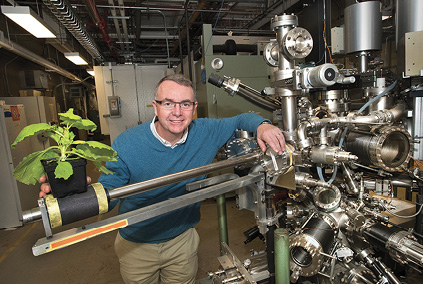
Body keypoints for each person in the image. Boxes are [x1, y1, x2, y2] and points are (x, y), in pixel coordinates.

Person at [40, 74, 285, 284]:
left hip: (182, 241)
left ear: (194, 107)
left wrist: (263, 125)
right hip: (136, 245)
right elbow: (110, 192)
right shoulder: (128, 143)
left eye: (185, 104)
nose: (177, 112)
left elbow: (242, 118)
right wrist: (76, 193)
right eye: (169, 103)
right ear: (155, 106)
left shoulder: (205, 131)